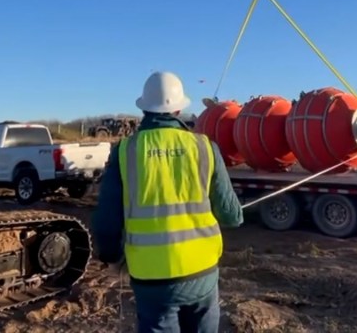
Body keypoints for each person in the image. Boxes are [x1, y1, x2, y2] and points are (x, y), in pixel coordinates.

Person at [92, 71, 244, 333]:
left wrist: (110, 255)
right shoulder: (204, 147)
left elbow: (107, 219)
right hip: (202, 273)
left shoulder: (126, 150)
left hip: (151, 280)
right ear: (178, 107)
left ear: (145, 108)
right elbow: (232, 216)